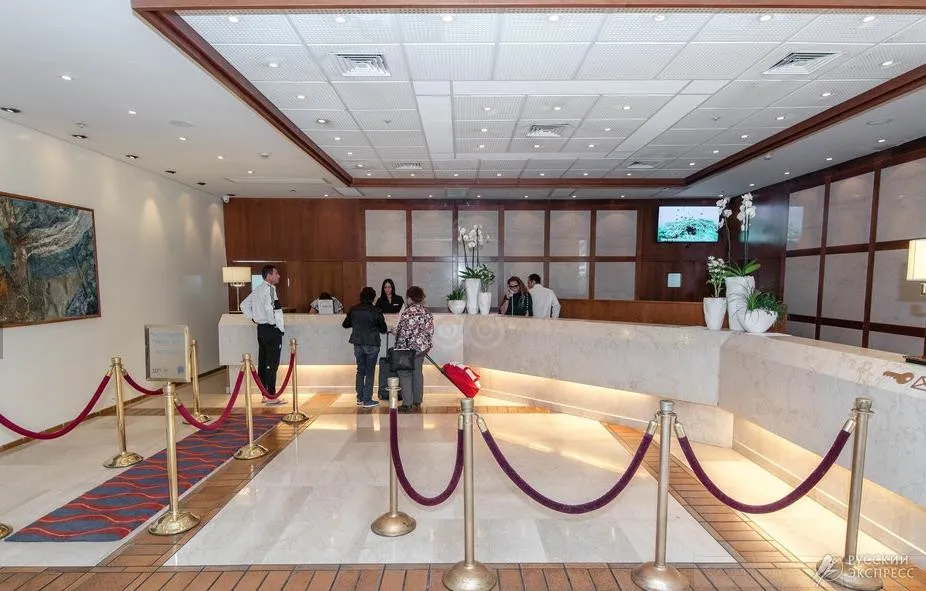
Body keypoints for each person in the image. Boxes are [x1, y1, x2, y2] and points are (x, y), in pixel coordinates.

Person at [239, 265, 287, 405]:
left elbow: (243, 305)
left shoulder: (257, 289)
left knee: (263, 361)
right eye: (276, 273)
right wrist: (275, 325)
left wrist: (254, 318)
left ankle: (265, 394)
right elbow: (270, 309)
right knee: (272, 363)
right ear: (269, 276)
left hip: (261, 329)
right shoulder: (270, 289)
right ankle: (271, 395)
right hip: (271, 330)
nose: (278, 276)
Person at [342, 287, 388, 409]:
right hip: (372, 343)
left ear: (361, 296)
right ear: (373, 298)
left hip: (358, 343)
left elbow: (345, 324)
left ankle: (360, 398)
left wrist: (356, 323)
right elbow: (383, 329)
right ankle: (367, 400)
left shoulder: (354, 309)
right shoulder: (376, 310)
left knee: (360, 370)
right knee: (369, 371)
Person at [393, 286, 433, 413]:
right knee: (417, 372)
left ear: (409, 298)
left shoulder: (407, 313)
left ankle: (407, 404)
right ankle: (417, 400)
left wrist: (397, 344)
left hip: (407, 349)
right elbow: (430, 331)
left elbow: (402, 332)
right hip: (422, 348)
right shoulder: (427, 312)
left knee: (404, 373)